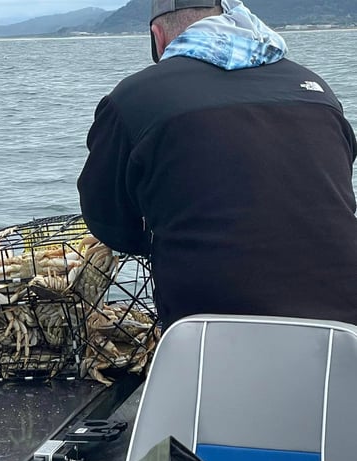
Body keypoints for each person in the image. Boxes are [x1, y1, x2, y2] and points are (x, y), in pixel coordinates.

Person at [77, 0, 357, 329]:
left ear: (158, 36)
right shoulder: (316, 89)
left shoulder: (133, 98)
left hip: (208, 334)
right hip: (344, 327)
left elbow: (107, 220)